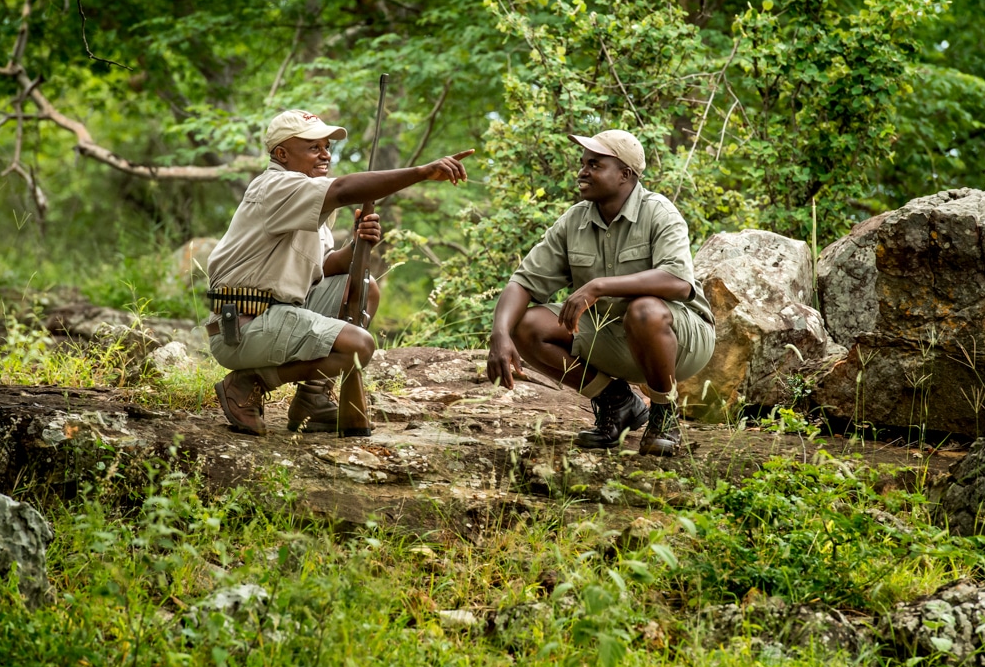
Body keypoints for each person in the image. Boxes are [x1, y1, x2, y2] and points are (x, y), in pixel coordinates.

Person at [206, 109, 472, 435]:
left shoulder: (307, 193)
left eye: (326, 146)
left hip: (279, 314)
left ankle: (312, 397)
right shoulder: (277, 186)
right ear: (281, 154)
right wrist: (421, 172)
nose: (325, 154)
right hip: (244, 326)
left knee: (364, 286)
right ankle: (248, 382)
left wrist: (358, 242)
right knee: (358, 346)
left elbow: (326, 267)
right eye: (313, 147)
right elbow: (345, 189)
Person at [486, 129, 715, 456]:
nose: (582, 172)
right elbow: (523, 282)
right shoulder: (574, 221)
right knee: (526, 325)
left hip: (680, 340)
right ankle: (618, 402)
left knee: (645, 310)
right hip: (614, 336)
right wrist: (499, 333)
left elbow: (678, 282)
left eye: (594, 164)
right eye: (583, 164)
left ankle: (664, 415)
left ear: (625, 174)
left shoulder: (658, 212)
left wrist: (598, 286)